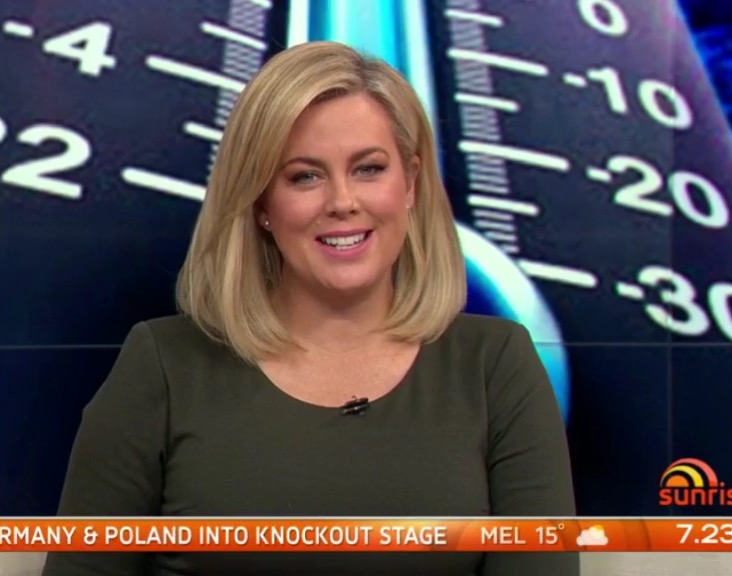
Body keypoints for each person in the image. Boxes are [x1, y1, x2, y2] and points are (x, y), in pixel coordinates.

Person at [42, 41, 577, 576]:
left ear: (411, 183)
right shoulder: (162, 366)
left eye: (368, 169)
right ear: (260, 203)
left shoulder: (494, 366)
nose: (342, 202)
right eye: (305, 176)